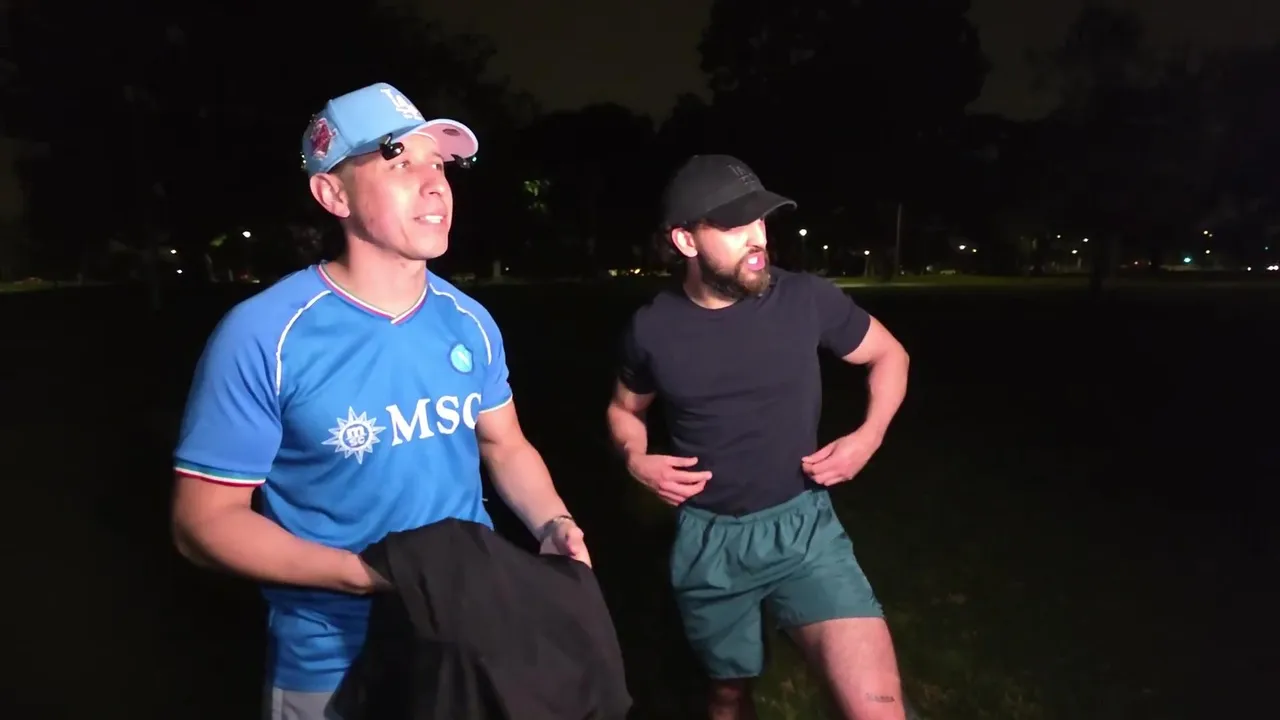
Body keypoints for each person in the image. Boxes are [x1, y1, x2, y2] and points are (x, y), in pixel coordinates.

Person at [170, 82, 590, 720]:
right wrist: (368, 575)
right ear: (332, 194)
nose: (434, 185)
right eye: (399, 163)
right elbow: (203, 524)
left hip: (466, 636)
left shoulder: (469, 321)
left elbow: (504, 444)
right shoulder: (263, 335)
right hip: (330, 659)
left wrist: (553, 524)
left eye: (438, 164)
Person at [606, 154, 911, 720]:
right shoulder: (652, 330)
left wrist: (868, 437)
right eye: (734, 226)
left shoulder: (806, 299)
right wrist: (635, 456)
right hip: (709, 543)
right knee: (727, 697)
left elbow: (891, 355)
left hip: (805, 532)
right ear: (685, 240)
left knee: (878, 711)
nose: (759, 239)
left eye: (761, 221)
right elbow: (625, 409)